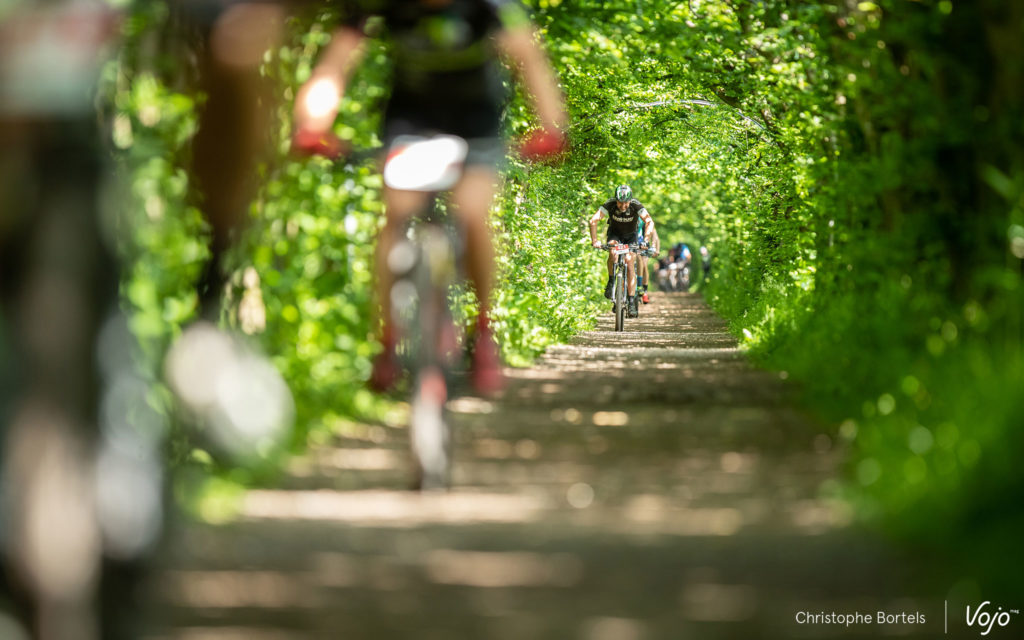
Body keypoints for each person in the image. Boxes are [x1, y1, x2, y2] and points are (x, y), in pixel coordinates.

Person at [293, 0, 568, 395]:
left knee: (473, 212)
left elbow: (529, 59)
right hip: (410, 118)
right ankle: (387, 341)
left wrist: (550, 126)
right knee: (396, 213)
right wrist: (313, 124)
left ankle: (484, 331)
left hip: (476, 119)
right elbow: (335, 65)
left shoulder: (490, 7)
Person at [589, 184, 655, 318]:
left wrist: (646, 240)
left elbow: (649, 222)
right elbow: (593, 220)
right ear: (616, 200)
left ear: (630, 200)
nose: (623, 206)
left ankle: (631, 302)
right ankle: (611, 281)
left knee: (630, 263)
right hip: (615, 235)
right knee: (613, 253)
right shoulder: (610, 204)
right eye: (620, 203)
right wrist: (595, 240)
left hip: (631, 236)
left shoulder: (636, 205)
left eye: (626, 203)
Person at [635, 219, 660, 304]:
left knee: (644, 265)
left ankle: (644, 291)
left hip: (644, 246)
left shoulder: (646, 220)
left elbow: (655, 237)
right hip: (633, 243)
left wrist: (655, 248)